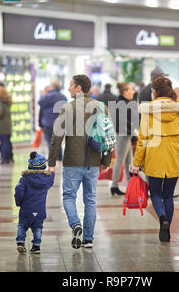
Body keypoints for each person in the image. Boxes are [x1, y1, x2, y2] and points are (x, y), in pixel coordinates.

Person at [48, 75, 112, 249]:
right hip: (93, 161)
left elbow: (56, 137)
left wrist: (51, 162)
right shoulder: (101, 108)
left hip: (72, 161)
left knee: (69, 196)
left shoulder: (68, 108)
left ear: (78, 89)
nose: (68, 88)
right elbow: (109, 136)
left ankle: (76, 225)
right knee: (90, 199)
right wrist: (106, 160)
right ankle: (88, 239)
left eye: (70, 85)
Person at [131, 77, 179, 242]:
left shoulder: (148, 110)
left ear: (156, 92)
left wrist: (136, 163)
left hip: (154, 155)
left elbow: (143, 140)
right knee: (168, 195)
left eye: (153, 90)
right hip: (174, 156)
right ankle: (166, 230)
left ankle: (162, 219)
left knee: (155, 193)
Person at [15, 151, 55, 254]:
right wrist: (52, 170)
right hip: (40, 211)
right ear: (43, 167)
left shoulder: (24, 179)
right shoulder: (46, 180)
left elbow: (19, 191)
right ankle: (36, 246)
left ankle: (20, 242)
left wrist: (18, 203)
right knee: (38, 227)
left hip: (26, 210)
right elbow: (52, 176)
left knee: (22, 226)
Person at [110, 82, 139, 195]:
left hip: (126, 135)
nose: (133, 92)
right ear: (125, 92)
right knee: (120, 160)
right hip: (123, 135)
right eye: (131, 90)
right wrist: (133, 131)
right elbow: (122, 122)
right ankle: (114, 186)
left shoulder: (125, 102)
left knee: (128, 161)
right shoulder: (121, 103)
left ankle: (131, 184)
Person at [38, 82, 67, 160]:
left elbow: (40, 102)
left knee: (50, 140)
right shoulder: (63, 97)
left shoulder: (48, 96)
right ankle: (59, 156)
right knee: (57, 140)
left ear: (52, 87)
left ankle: (52, 157)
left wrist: (43, 94)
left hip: (49, 123)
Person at [0, 85, 13, 164]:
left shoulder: (0, 102)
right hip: (7, 125)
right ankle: (9, 158)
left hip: (2, 125)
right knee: (7, 142)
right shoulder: (7, 101)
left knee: (4, 142)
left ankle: (4, 158)